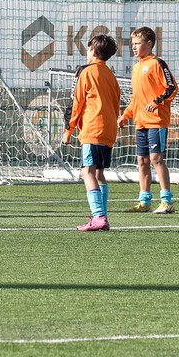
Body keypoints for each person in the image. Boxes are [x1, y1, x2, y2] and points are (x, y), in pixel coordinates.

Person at [63, 34, 121, 231]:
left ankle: (98, 216)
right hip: (108, 130)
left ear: (93, 52)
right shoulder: (111, 75)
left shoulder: (86, 73)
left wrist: (68, 130)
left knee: (87, 171)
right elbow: (115, 103)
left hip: (93, 128)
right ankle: (102, 217)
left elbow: (77, 103)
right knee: (99, 173)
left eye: (88, 50)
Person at [118, 26, 178, 214]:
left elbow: (172, 88)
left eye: (137, 43)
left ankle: (167, 201)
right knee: (142, 162)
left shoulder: (157, 63)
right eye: (132, 44)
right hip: (140, 122)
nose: (133, 47)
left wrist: (156, 102)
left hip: (156, 121)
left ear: (149, 43)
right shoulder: (137, 67)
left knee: (156, 159)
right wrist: (126, 115)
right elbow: (136, 98)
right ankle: (145, 202)